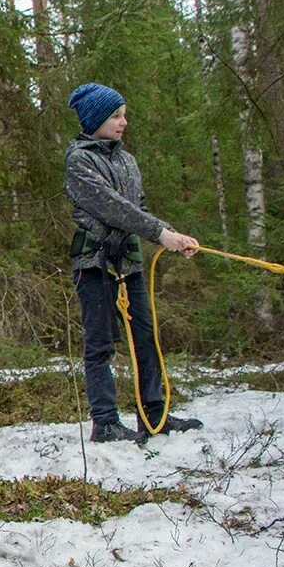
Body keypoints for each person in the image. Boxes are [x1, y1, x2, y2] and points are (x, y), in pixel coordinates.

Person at [64, 83, 203, 444]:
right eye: (116, 116)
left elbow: (135, 211)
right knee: (100, 343)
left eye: (124, 115)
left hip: (129, 259)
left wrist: (172, 235)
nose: (124, 122)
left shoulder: (127, 161)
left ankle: (153, 413)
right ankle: (105, 421)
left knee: (146, 335)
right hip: (93, 262)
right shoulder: (78, 160)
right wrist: (161, 233)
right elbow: (111, 207)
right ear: (95, 119)